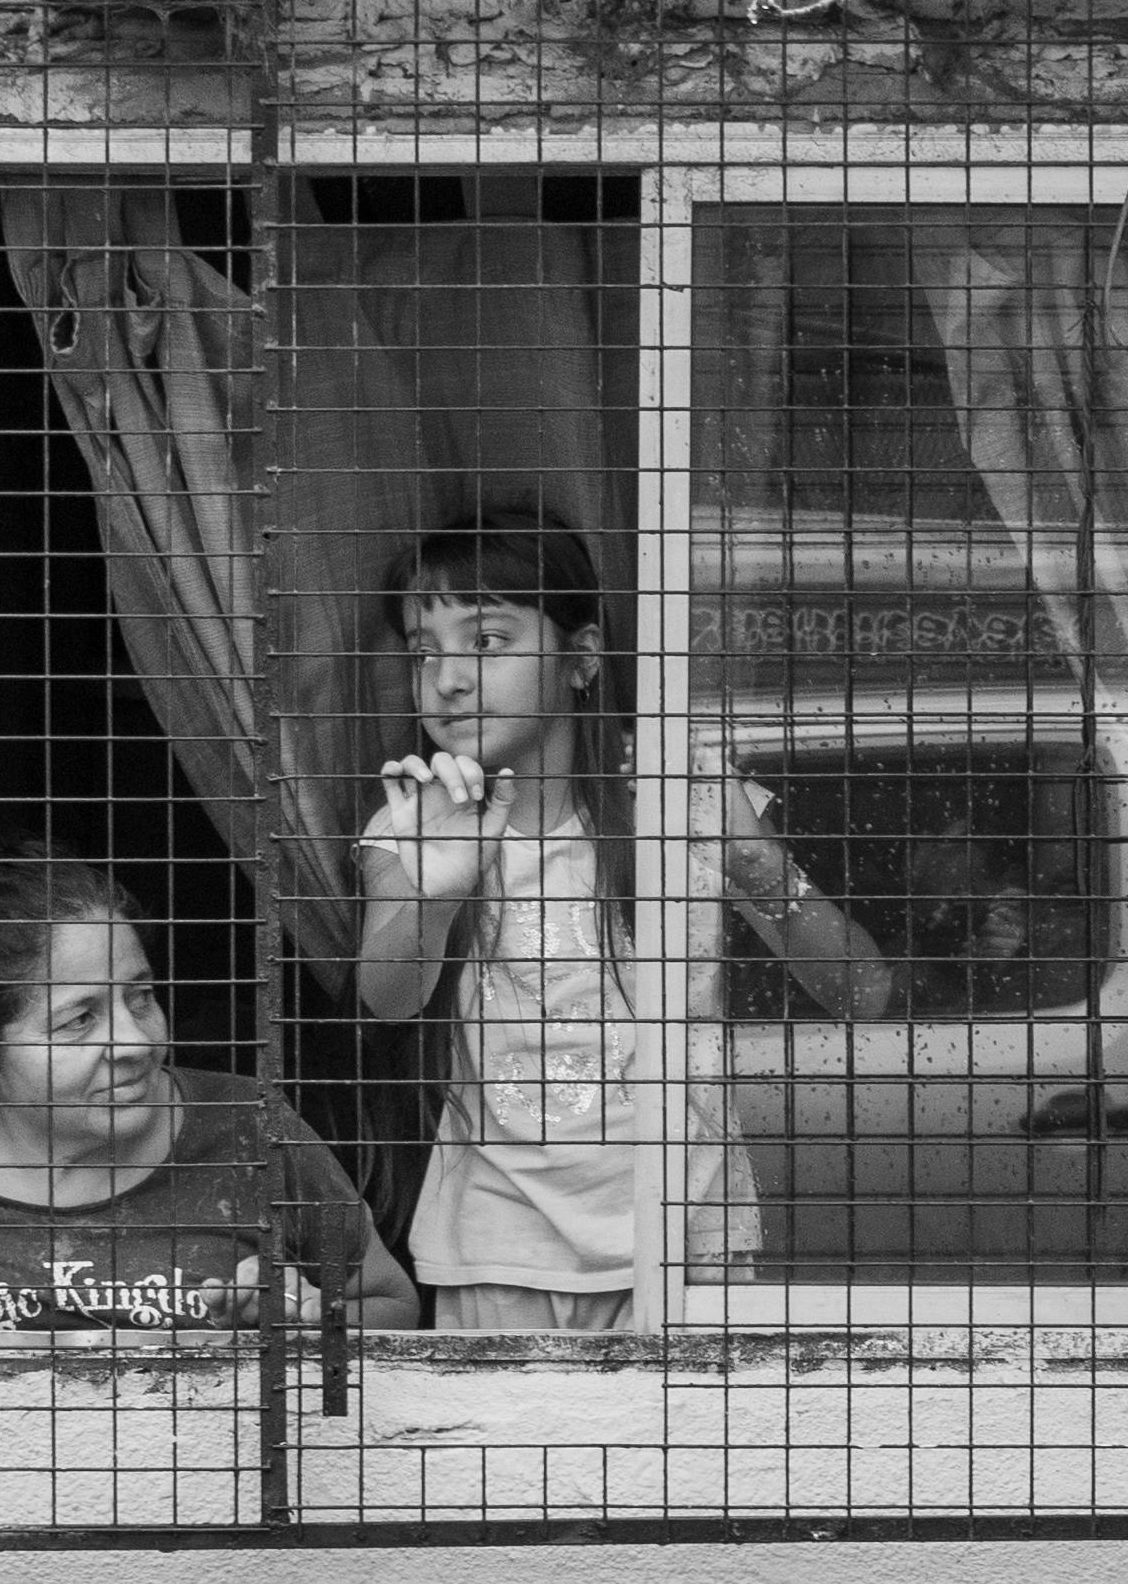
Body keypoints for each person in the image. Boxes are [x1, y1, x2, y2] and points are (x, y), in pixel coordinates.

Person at [357, 508, 886, 1326]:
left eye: (486, 641)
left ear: (583, 657)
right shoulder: (414, 819)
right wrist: (440, 887)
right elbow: (387, 996)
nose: (447, 678)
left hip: (685, 1235)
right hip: (498, 1241)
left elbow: (861, 991)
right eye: (423, 651)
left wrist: (744, 850)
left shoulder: (683, 798)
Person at [0, 855, 411, 1340]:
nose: (135, 1042)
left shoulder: (248, 1127)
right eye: (78, 1020)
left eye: (140, 996)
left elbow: (394, 1305)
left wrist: (304, 1320)